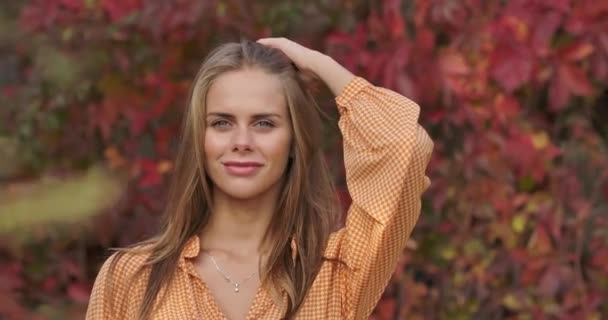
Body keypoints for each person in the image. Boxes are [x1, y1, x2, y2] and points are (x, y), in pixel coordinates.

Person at [85, 37, 433, 320]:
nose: (241, 142)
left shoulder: (339, 272)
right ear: (199, 139)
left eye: (264, 123)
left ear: (295, 140)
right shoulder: (132, 277)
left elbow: (406, 148)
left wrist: (318, 64)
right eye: (221, 123)